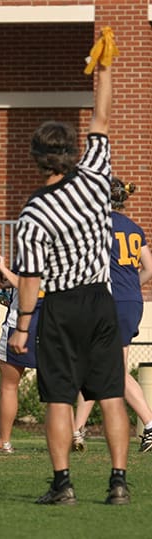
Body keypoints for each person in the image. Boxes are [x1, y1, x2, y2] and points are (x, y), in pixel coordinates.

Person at [8, 32, 130, 506]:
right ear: (71, 152)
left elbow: (32, 279)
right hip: (101, 299)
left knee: (59, 398)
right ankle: (118, 481)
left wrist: (22, 328)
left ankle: (63, 485)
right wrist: (106, 66)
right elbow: (101, 115)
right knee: (111, 394)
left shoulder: (33, 212)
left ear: (38, 158)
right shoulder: (98, 175)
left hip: (60, 306)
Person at [72, 179, 152, 453]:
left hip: (109, 303)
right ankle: (76, 430)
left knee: (112, 370)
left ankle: (151, 426)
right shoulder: (134, 227)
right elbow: (149, 268)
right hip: (131, 302)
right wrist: (129, 287)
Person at [0, 256, 43, 454]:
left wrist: (4, 269)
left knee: (9, 386)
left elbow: (26, 286)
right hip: (54, 325)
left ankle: (4, 442)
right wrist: (6, 280)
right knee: (58, 389)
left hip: (20, 325)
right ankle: (70, 434)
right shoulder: (65, 254)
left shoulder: (31, 254)